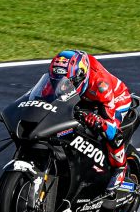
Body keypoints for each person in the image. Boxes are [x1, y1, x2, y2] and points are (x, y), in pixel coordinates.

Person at [48, 49, 133, 192]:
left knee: (109, 132)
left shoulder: (101, 85)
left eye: (68, 83)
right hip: (86, 98)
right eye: (58, 81)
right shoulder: (65, 74)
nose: (62, 86)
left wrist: (100, 122)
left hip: (116, 99)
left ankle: (120, 169)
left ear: (80, 77)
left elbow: (110, 122)